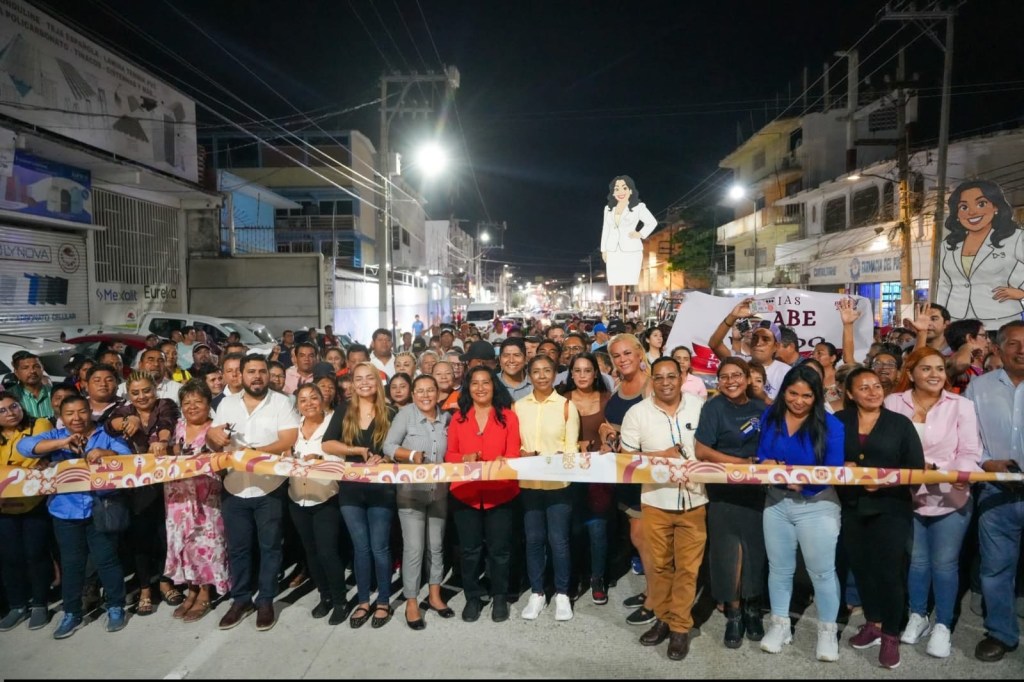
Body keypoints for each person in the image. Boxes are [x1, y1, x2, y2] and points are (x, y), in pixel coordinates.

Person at [884, 348, 982, 658]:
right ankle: (918, 615)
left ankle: (943, 624)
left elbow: (970, 450)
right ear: (910, 373)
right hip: (907, 495)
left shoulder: (962, 405)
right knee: (917, 560)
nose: (935, 374)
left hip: (949, 495)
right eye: (926, 368)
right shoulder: (892, 403)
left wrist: (957, 472)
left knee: (944, 562)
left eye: (939, 368)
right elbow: (887, 448)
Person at [18, 395, 132, 639]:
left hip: (100, 509)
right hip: (65, 512)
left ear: (90, 411)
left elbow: (129, 458)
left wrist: (106, 452)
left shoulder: (106, 433)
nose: (76, 418)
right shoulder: (53, 437)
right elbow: (24, 447)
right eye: (69, 413)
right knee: (72, 565)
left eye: (82, 412)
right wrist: (61, 444)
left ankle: (115, 606)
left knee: (107, 560)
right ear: (61, 415)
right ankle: (71, 612)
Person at [755, 364, 845, 662]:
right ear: (784, 392)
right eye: (793, 393)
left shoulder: (832, 426)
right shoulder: (770, 415)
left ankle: (827, 631)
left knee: (821, 572)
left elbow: (833, 471)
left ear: (817, 396)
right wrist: (766, 463)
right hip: (776, 503)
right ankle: (780, 625)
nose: (798, 400)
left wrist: (802, 483)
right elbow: (763, 453)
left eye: (807, 396)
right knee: (779, 568)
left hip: (816, 506)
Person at [837, 366, 925, 669]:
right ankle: (872, 623)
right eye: (864, 387)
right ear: (850, 394)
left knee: (889, 572)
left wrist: (885, 480)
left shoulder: (900, 424)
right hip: (852, 507)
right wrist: (841, 465)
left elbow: (917, 469)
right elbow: (825, 458)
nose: (873, 391)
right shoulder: (839, 421)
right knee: (861, 569)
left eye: (876, 386)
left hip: (891, 508)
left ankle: (890, 634)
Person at [619, 357, 706, 661]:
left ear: (682, 376)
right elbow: (627, 461)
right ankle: (664, 619)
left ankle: (679, 628)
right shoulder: (637, 413)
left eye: (672, 376)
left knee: (687, 569)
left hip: (695, 501)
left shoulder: (700, 407)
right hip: (655, 502)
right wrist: (663, 457)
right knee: (659, 567)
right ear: (651, 380)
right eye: (659, 377)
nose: (666, 382)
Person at [206, 354, 300, 633]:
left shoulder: (281, 402)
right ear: (241, 376)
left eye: (261, 371)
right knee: (238, 548)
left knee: (271, 547)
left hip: (269, 486)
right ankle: (241, 599)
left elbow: (289, 438)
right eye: (251, 372)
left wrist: (254, 455)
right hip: (234, 487)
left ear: (268, 375)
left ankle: (266, 600)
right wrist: (215, 438)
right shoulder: (227, 404)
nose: (257, 376)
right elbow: (213, 435)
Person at [694, 358, 767, 648]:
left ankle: (752, 609)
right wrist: (741, 463)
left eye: (737, 375)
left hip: (758, 492)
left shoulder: (762, 409)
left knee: (755, 551)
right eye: (723, 376)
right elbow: (702, 450)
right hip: (723, 491)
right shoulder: (713, 407)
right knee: (727, 553)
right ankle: (733, 612)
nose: (730, 381)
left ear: (748, 378)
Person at [964, 320, 1024, 662]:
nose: (1022, 350)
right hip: (997, 493)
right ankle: (1001, 632)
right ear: (998, 349)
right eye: (1014, 344)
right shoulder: (979, 388)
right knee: (996, 566)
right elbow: (970, 440)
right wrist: (987, 463)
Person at [322, 362, 397, 629]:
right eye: (358, 379)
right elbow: (327, 443)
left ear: (377, 381)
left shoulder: (390, 411)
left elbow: (398, 448)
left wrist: (386, 458)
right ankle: (364, 600)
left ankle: (384, 601)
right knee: (361, 548)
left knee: (380, 547)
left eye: (369, 378)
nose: (364, 383)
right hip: (351, 489)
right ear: (352, 384)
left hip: (381, 489)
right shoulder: (344, 410)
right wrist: (357, 451)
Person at [445, 365, 521, 624]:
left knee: (500, 550)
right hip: (465, 493)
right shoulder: (458, 418)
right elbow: (449, 455)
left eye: (485, 382)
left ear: (494, 385)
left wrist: (503, 460)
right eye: (474, 383)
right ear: (468, 388)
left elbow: (513, 454)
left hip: (500, 493)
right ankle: (473, 596)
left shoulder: (508, 417)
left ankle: (499, 596)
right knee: (469, 550)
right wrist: (463, 458)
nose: (480, 388)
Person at [105, 371, 181, 617]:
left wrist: (162, 440)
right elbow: (110, 425)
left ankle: (165, 581)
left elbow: (168, 422)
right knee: (140, 541)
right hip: (135, 490)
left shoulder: (165, 405)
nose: (142, 396)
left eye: (146, 390)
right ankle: (145, 588)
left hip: (166, 486)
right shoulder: (123, 410)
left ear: (155, 389)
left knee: (164, 536)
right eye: (135, 393)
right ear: (128, 394)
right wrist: (127, 420)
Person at [383, 375, 453, 630]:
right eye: (420, 391)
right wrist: (412, 455)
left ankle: (435, 595)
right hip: (411, 494)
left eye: (430, 390)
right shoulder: (405, 415)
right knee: (414, 549)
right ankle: (411, 601)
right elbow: (387, 446)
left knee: (436, 547)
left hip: (439, 494)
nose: (425, 395)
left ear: (438, 393)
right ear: (413, 394)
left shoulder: (446, 418)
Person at [514, 354, 580, 622]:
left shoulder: (566, 406)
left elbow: (572, 448)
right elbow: (513, 444)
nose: (541, 376)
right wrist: (523, 452)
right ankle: (538, 592)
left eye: (547, 371)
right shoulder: (519, 406)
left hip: (558, 485)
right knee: (533, 540)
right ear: (529, 376)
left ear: (555, 374)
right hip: (529, 484)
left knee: (559, 540)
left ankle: (563, 593)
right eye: (536, 371)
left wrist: (558, 461)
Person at [597, 334, 653, 625]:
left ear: (640, 353)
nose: (622, 360)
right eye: (616, 356)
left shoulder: (651, 386)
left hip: (647, 475)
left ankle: (657, 600)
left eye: (627, 353)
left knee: (647, 539)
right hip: (625, 474)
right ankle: (652, 591)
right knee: (638, 536)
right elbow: (610, 425)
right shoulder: (620, 385)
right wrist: (607, 436)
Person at [164, 380, 230, 623]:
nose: (192, 407)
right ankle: (191, 587)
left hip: (206, 500)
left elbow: (224, 463)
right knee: (183, 543)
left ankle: (205, 591)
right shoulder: (175, 428)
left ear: (208, 404)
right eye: (186, 402)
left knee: (205, 544)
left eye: (198, 402)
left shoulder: (215, 429)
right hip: (177, 499)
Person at [286, 384, 350, 626]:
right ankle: (324, 596)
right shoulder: (294, 428)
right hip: (297, 497)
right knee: (310, 553)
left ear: (323, 399)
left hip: (325, 498)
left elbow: (341, 457)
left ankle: (340, 601)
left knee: (328, 551)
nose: (309, 403)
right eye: (303, 399)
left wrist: (321, 460)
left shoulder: (333, 423)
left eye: (314, 398)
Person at [936, 180, 1024, 327]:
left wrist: (1021, 293)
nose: (972, 212)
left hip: (1000, 321)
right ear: (956, 213)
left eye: (981, 204)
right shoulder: (948, 245)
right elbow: (944, 285)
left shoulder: (1015, 238)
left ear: (995, 206)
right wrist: (943, 320)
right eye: (963, 207)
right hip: (958, 322)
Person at [562, 353, 613, 604]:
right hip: (569, 473)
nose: (582, 375)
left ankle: (597, 577)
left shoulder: (606, 399)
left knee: (598, 529)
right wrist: (573, 443)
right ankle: (573, 576)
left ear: (596, 374)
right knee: (572, 528)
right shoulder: (562, 400)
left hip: (598, 475)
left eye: (587, 370)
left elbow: (615, 431)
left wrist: (608, 441)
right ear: (571, 374)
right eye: (577, 371)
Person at [0, 396, 52, 631]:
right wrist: (22, 469)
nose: (10, 412)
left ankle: (40, 603)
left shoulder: (39, 425)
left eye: (14, 406)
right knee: (10, 558)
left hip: (34, 502)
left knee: (36, 554)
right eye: (2, 410)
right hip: (3, 507)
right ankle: (17, 605)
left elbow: (39, 454)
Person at [709, 300, 789, 400]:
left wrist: (762, 397)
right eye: (755, 338)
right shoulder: (740, 363)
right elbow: (714, 344)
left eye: (765, 339)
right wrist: (732, 317)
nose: (758, 343)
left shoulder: (786, 372)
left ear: (776, 346)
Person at [600, 175, 657, 290]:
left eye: (624, 188)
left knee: (630, 281)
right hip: (613, 251)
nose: (620, 192)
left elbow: (652, 222)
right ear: (613, 193)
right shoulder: (608, 209)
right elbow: (606, 229)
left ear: (631, 190)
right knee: (614, 280)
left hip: (631, 250)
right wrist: (604, 250)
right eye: (617, 189)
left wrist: (640, 234)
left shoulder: (638, 207)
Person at [8, 351, 54, 420]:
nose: (32, 371)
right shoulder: (9, 397)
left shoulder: (55, 394)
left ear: (42, 369)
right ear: (16, 372)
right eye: (25, 368)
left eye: (36, 366)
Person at [498, 337, 532, 401]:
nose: (511, 360)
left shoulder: (536, 384)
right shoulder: (492, 383)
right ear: (500, 360)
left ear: (525, 359)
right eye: (506, 355)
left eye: (516, 355)